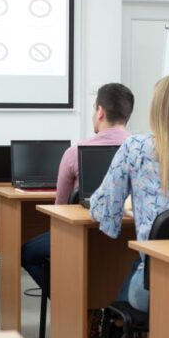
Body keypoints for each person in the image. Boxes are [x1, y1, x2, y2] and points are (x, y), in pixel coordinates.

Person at [90, 72, 169, 333]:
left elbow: (104, 211)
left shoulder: (135, 148)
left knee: (141, 262)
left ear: (158, 109)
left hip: (155, 286)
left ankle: (108, 325)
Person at [20, 83, 135, 293]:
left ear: (100, 111)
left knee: (27, 253)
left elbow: (60, 209)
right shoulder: (143, 151)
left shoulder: (75, 152)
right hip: (129, 241)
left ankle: (68, 300)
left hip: (82, 237)